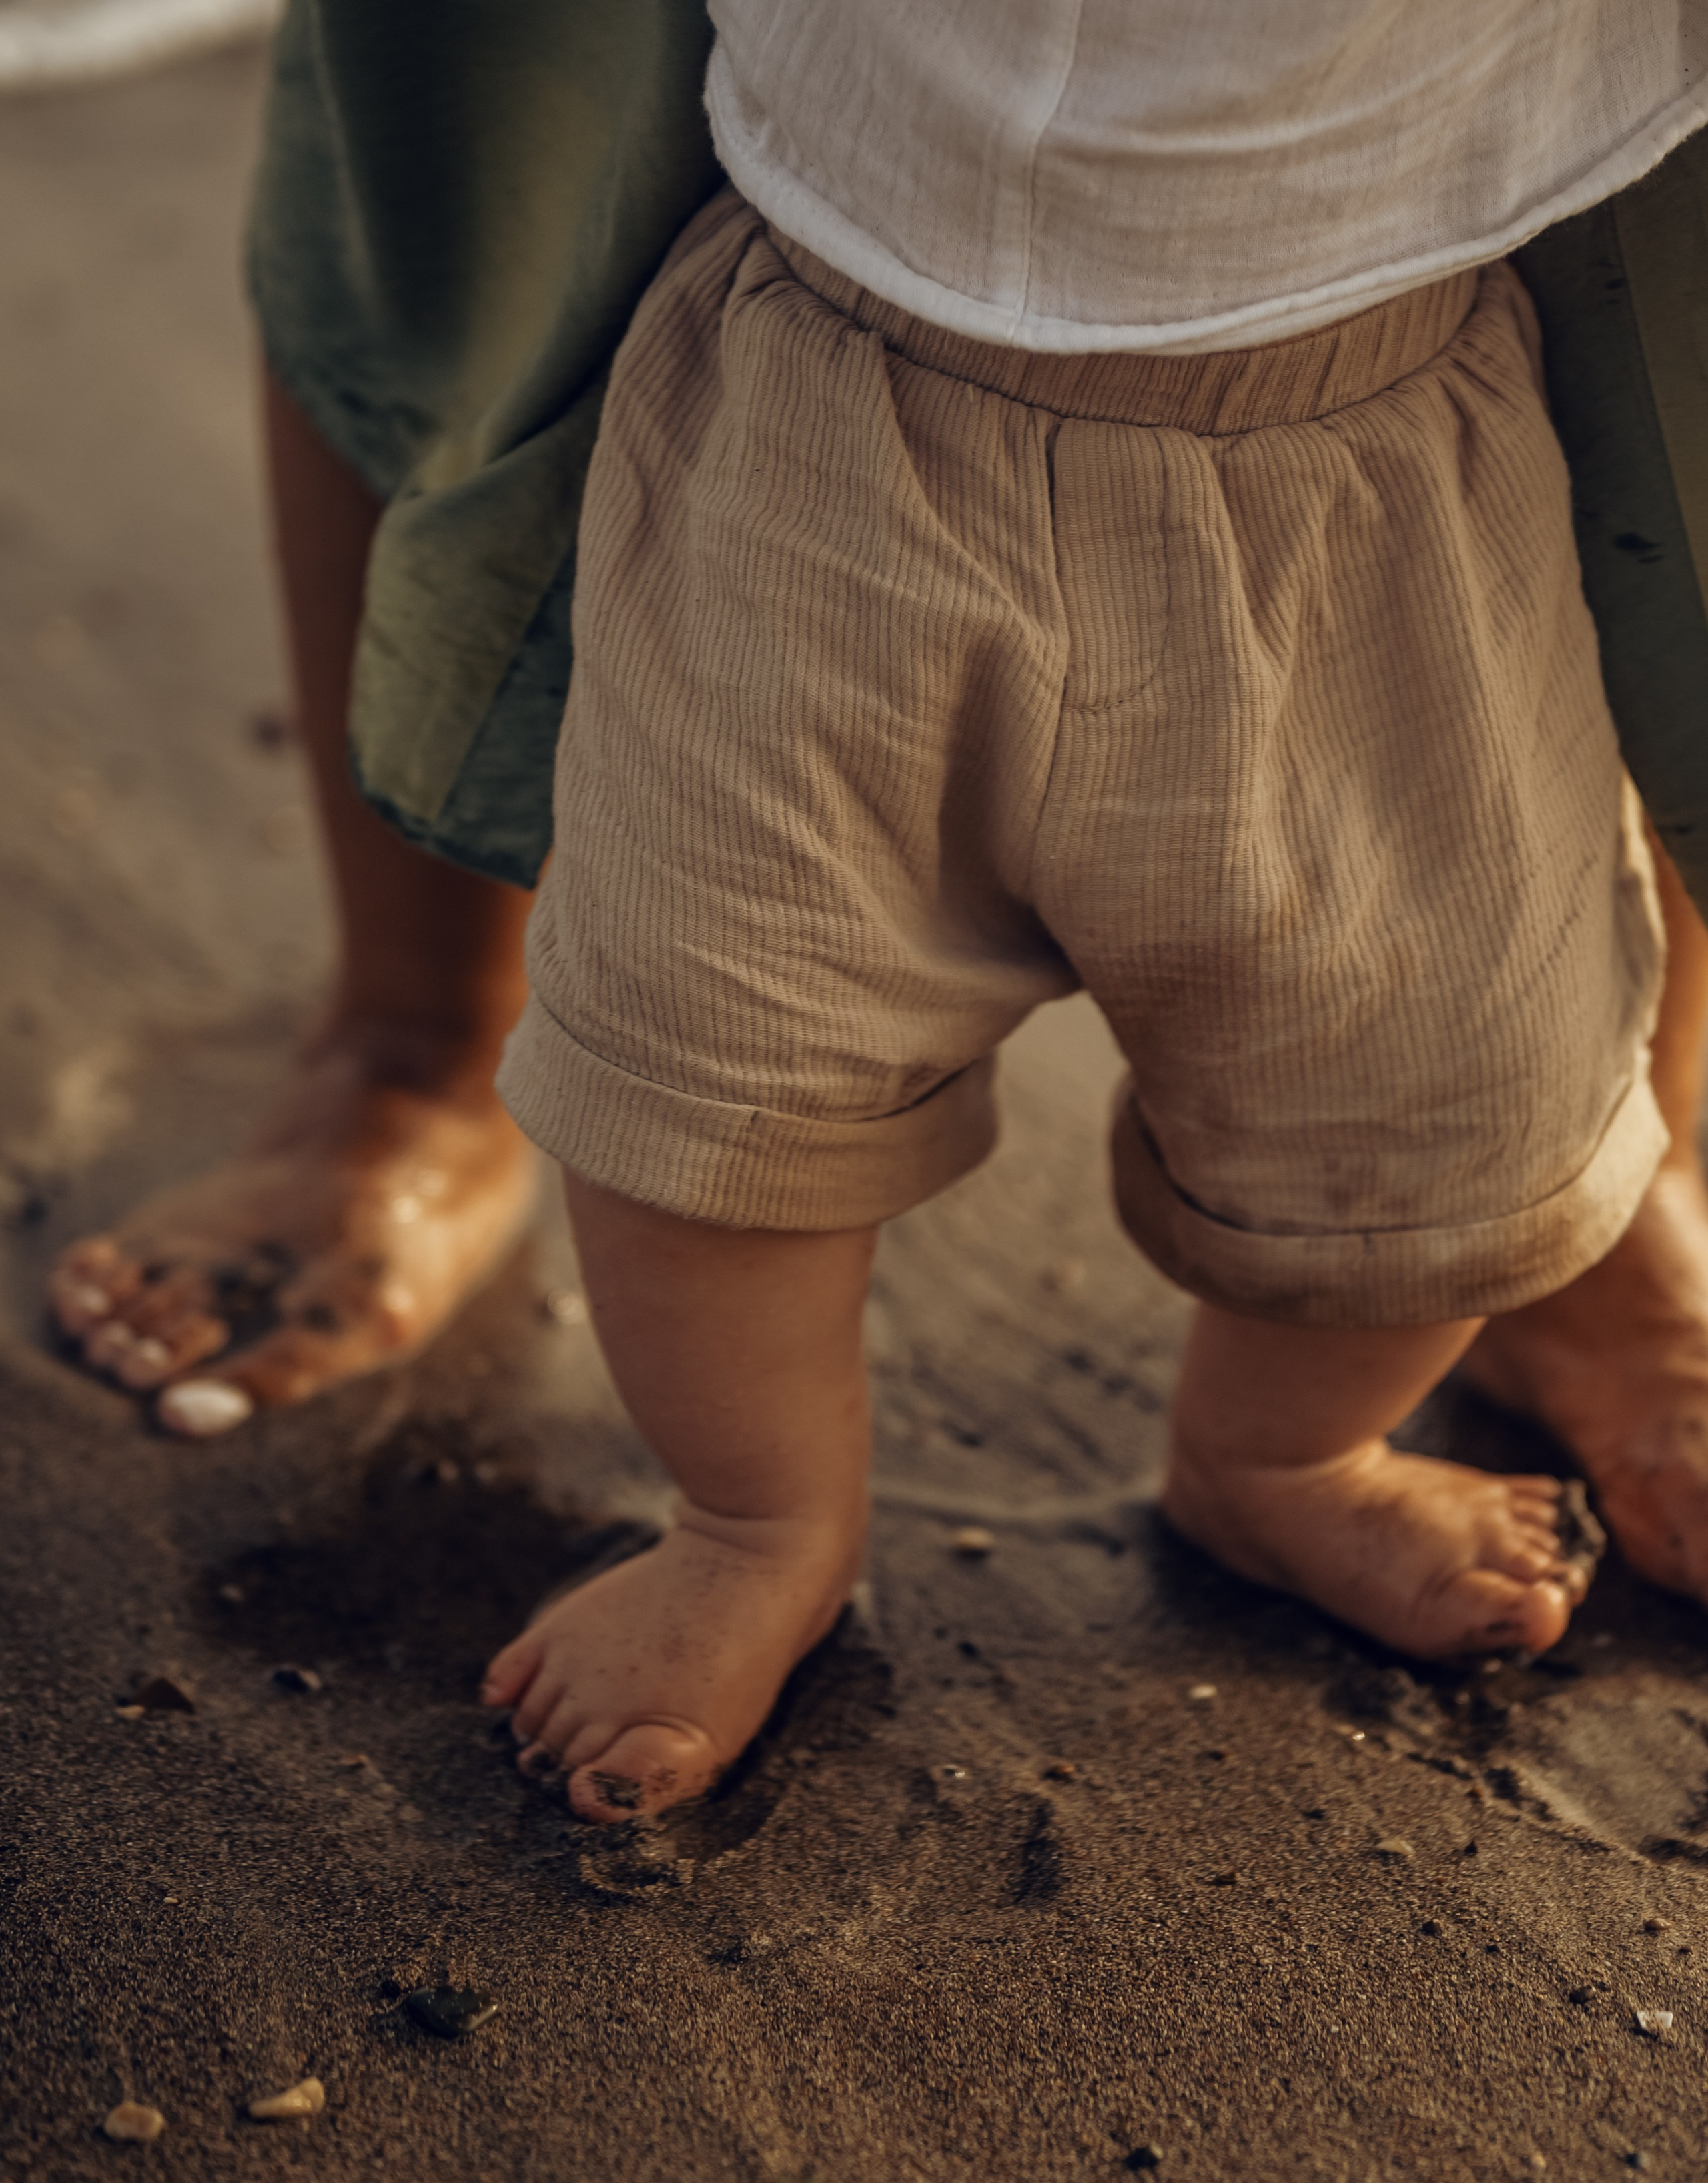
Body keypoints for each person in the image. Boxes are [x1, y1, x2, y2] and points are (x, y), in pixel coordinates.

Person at [49, 5, 1708, 1821]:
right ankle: (758, 1517)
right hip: (829, 415)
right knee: (708, 1075)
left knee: (1457, 1089)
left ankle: (1285, 1451)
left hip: (1387, 465)